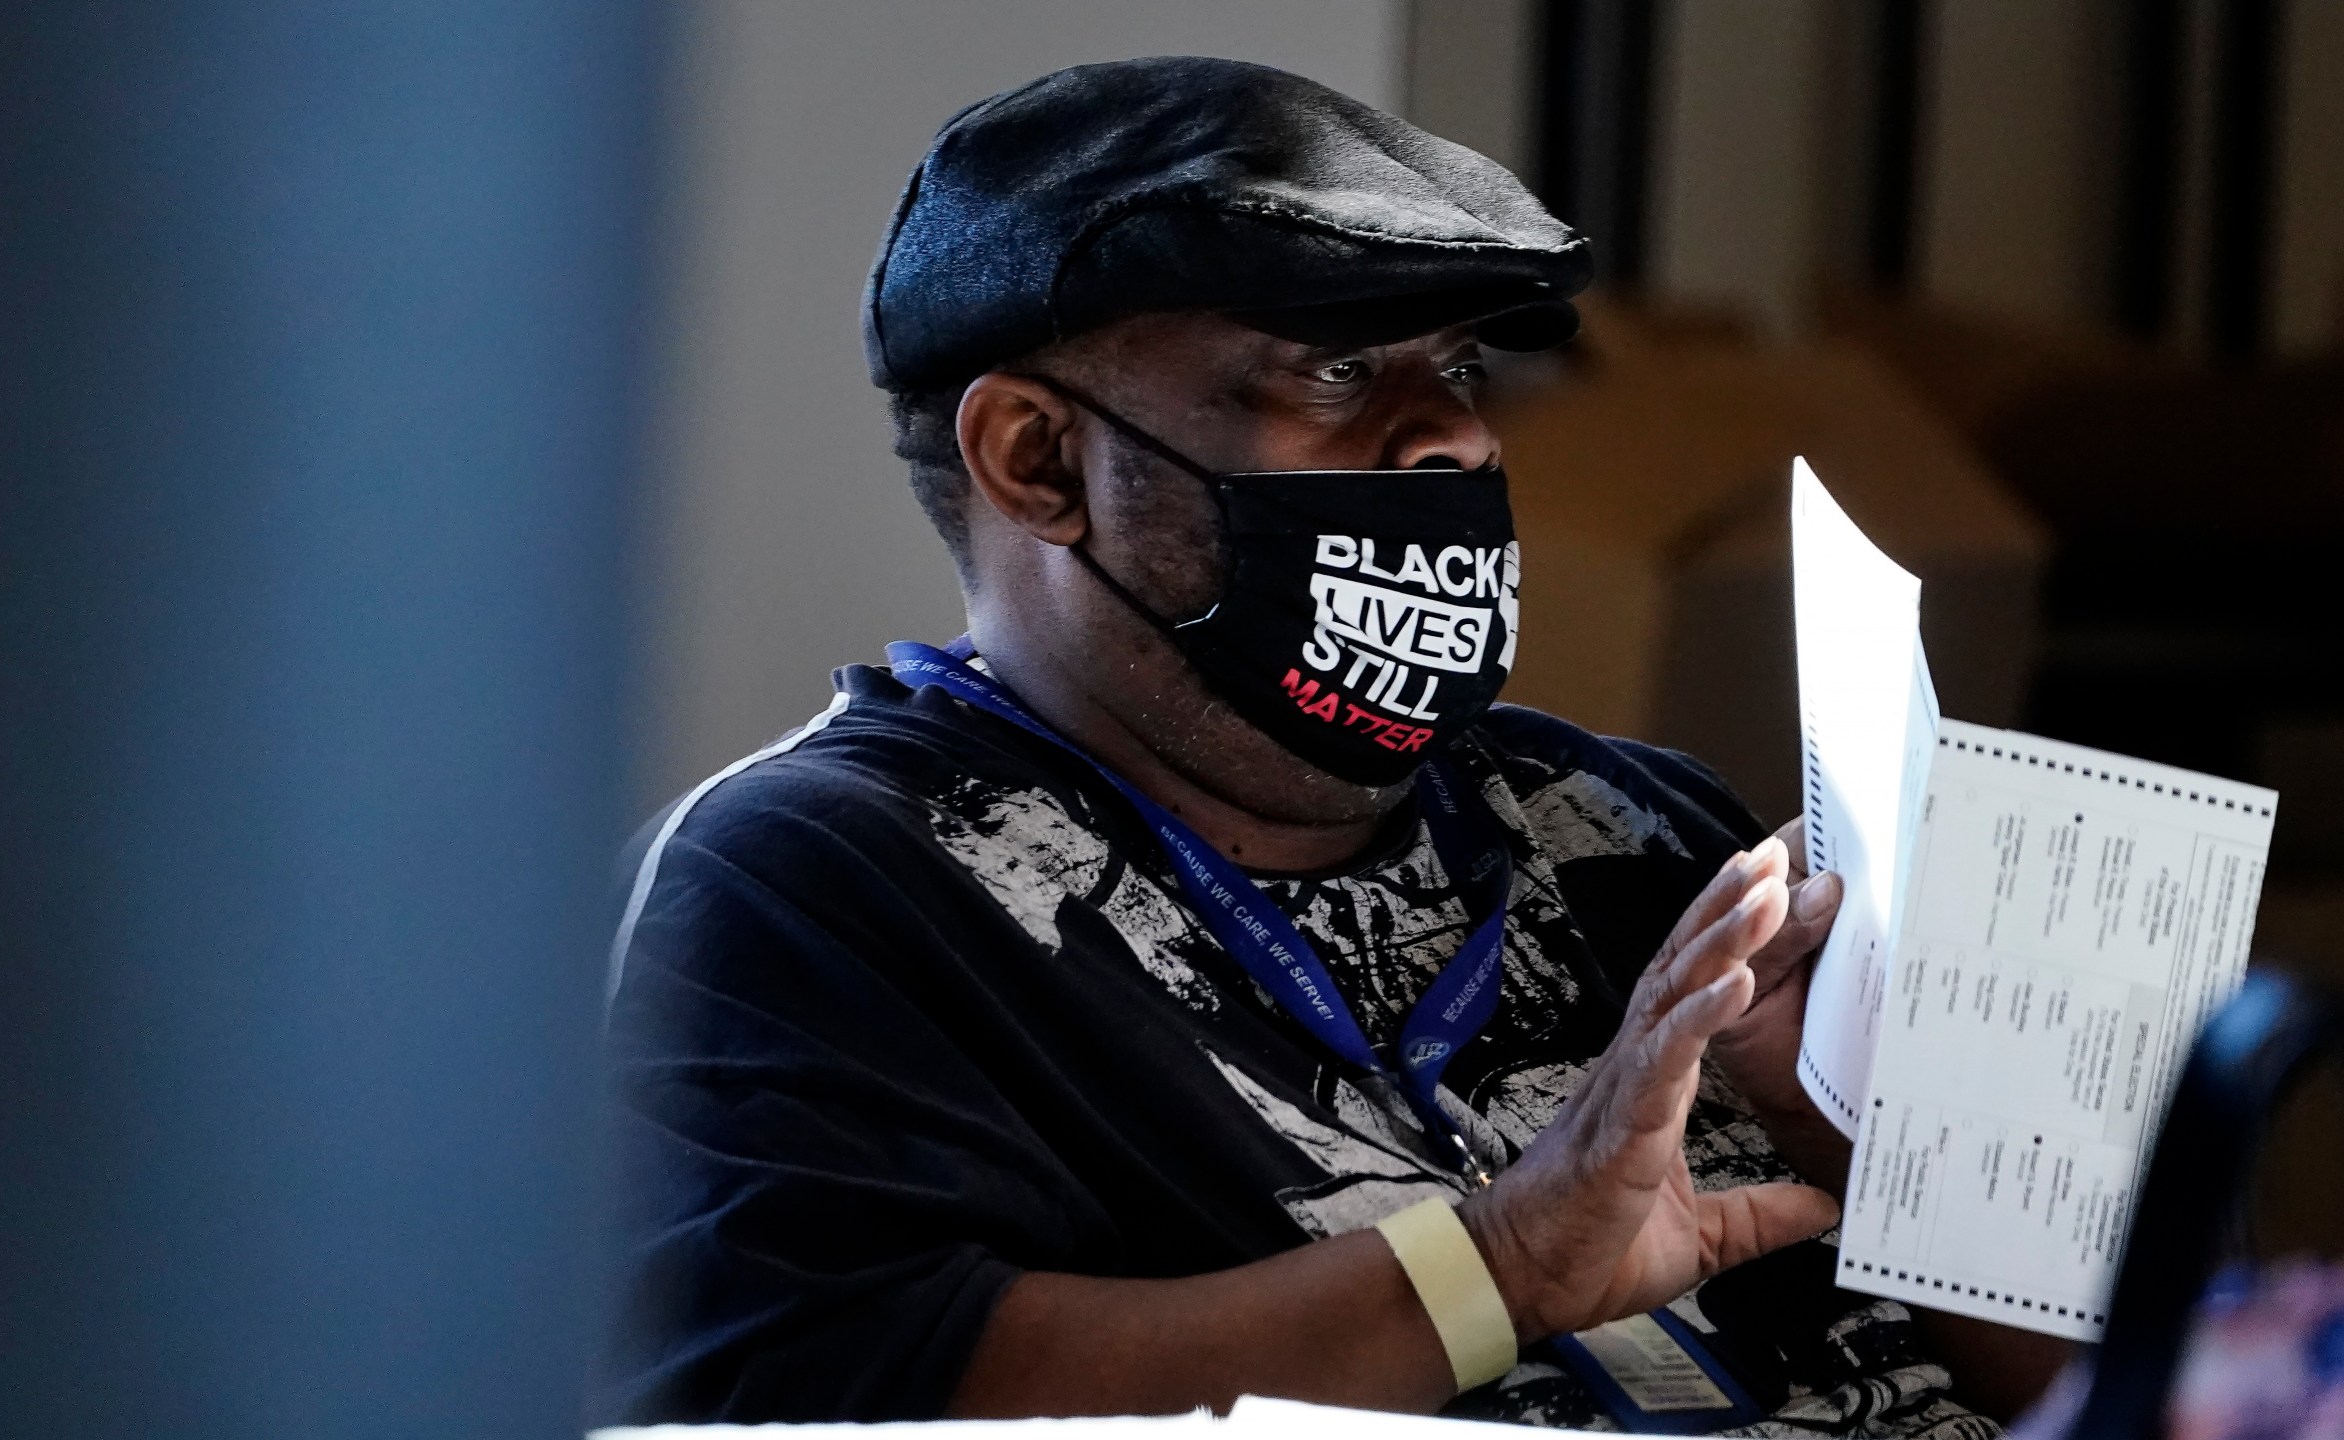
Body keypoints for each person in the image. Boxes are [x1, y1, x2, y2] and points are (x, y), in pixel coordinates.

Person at [590, 56, 2067, 1431]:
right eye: (1341, 376)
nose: (1456, 443)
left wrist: (1861, 1128)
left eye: (1461, 375)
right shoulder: (826, 888)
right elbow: (832, 1398)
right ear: (1038, 460)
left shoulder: (1638, 823)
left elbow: (2131, 1383)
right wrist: (1501, 1266)